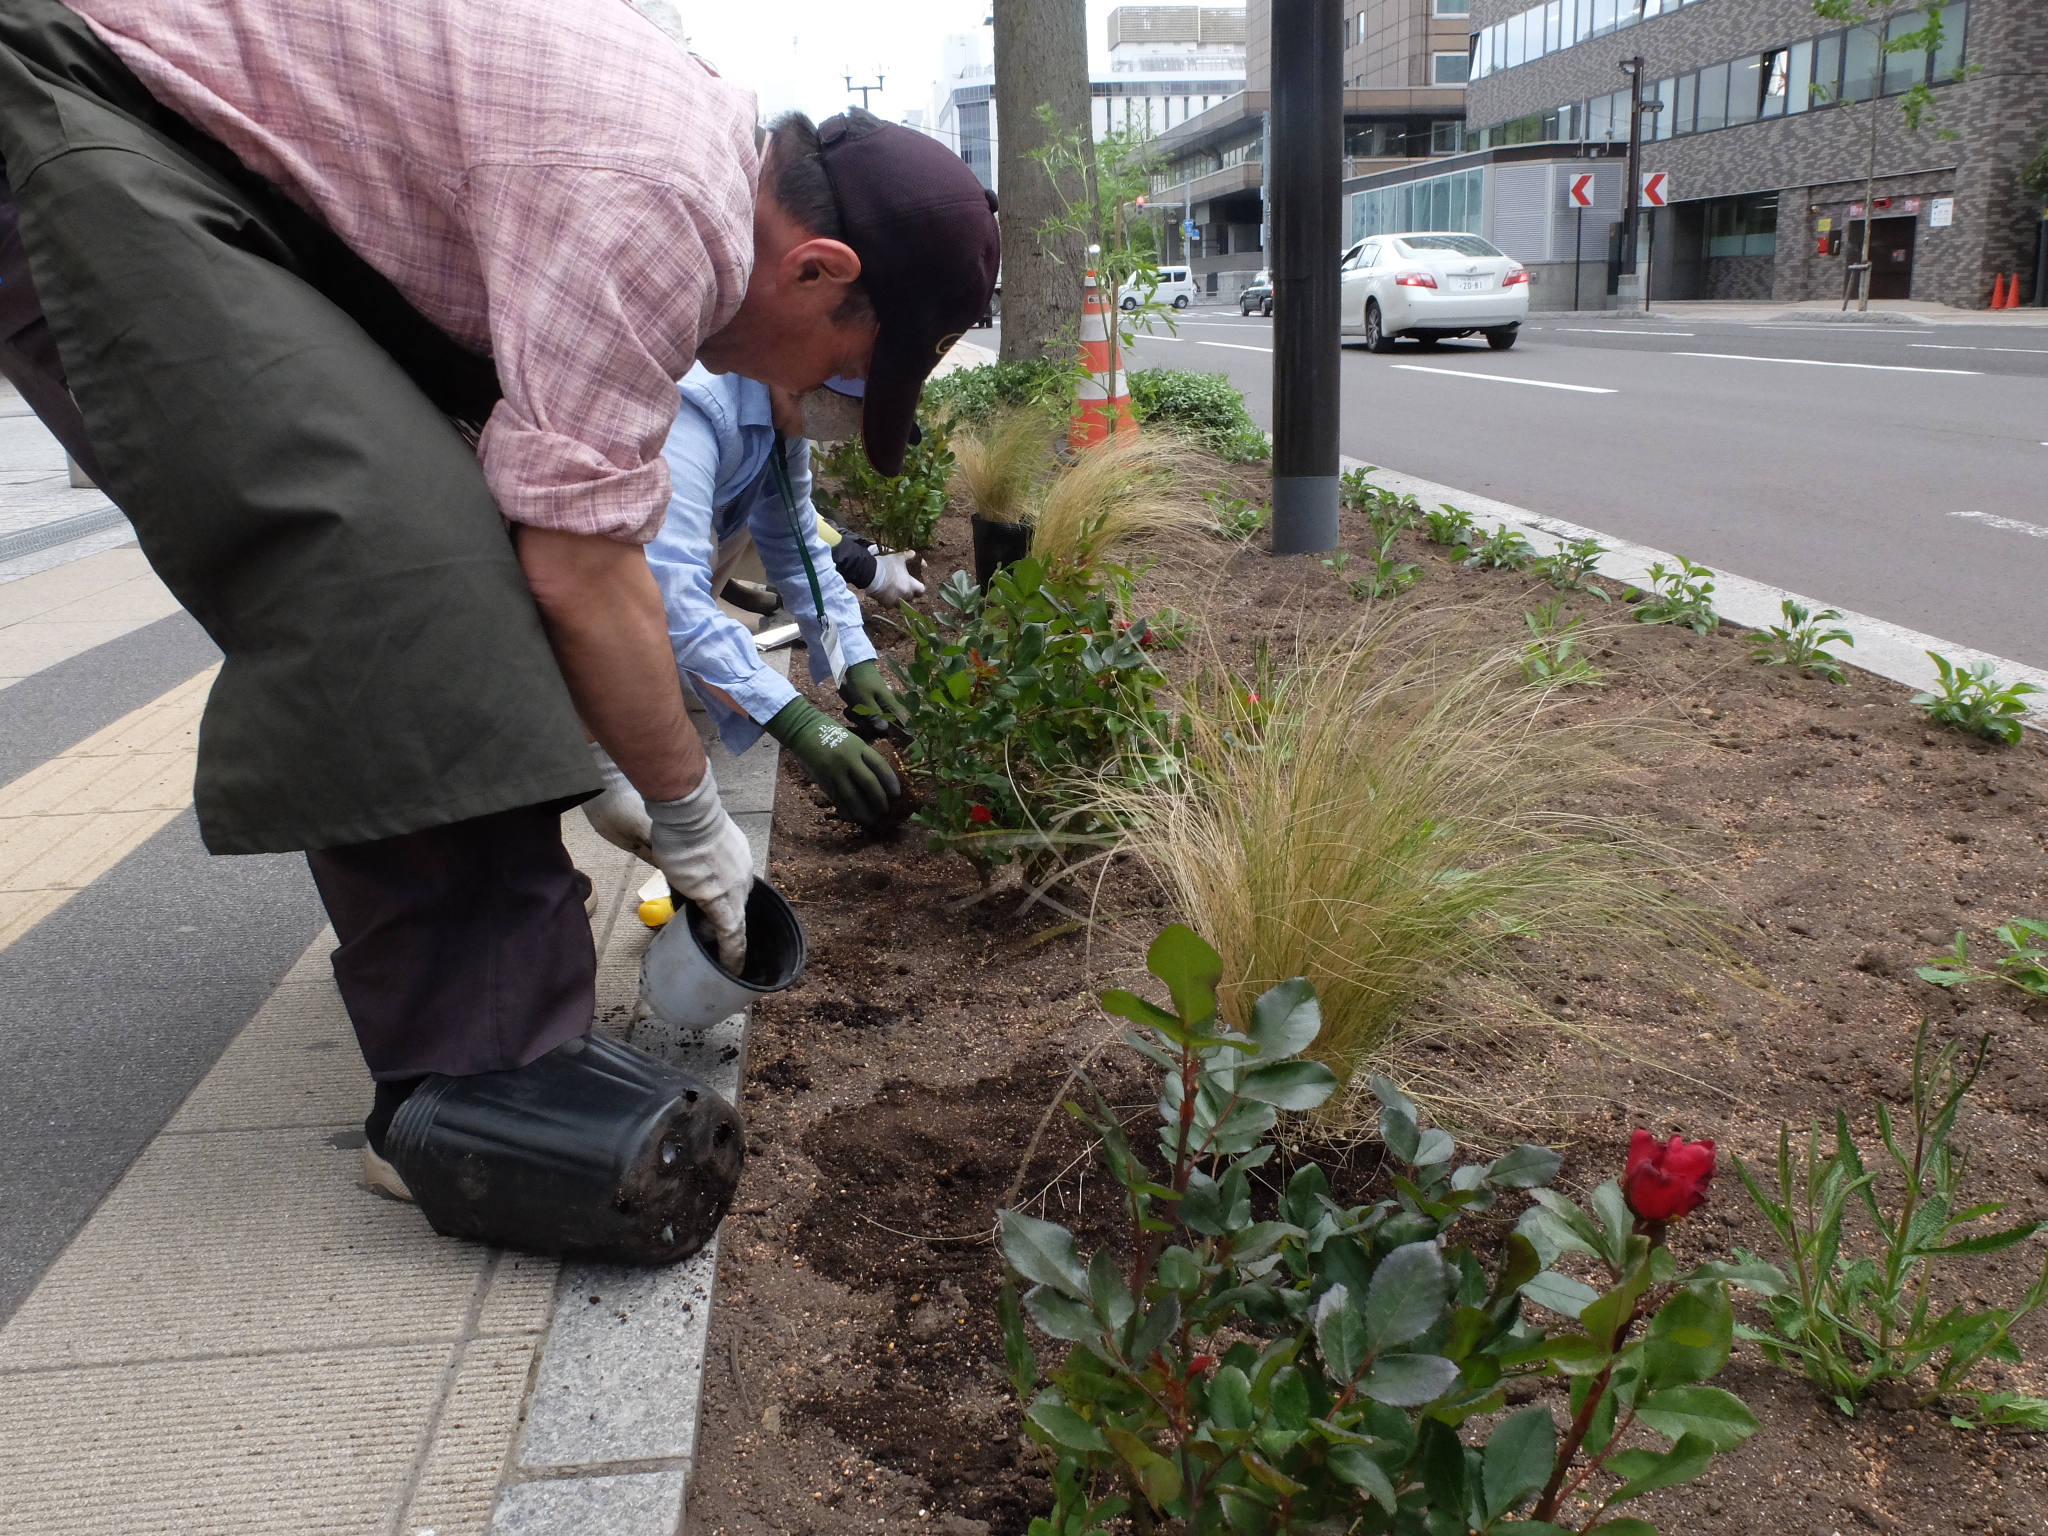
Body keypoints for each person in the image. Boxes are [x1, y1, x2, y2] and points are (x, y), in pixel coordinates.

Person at [0, 0, 998, 1249]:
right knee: (385, 560)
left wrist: (597, 762)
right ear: (817, 270)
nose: (811, 397)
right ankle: (467, 1082)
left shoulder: (676, 157)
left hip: (197, 145)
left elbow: (550, 525)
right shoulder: (664, 209)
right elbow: (585, 569)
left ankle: (496, 1021)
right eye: (844, 369)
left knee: (457, 531)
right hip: (91, 108)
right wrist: (690, 818)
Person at [583, 370, 921, 856]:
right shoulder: (689, 411)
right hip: (571, 598)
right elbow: (669, 591)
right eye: (856, 415)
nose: (851, 431)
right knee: (626, 810)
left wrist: (854, 659)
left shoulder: (780, 422)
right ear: (817, 380)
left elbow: (796, 543)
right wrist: (798, 722)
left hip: (636, 598)